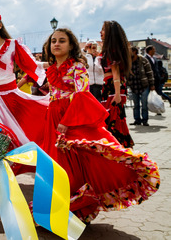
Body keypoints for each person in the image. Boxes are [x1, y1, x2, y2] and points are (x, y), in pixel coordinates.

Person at [37, 27, 160, 223]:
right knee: (55, 163)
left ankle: (78, 208)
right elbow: (53, 95)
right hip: (53, 117)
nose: (57, 44)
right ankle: (59, 205)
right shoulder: (51, 69)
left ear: (71, 46)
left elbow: (82, 94)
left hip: (71, 118)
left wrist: (66, 121)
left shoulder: (77, 66)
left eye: (62, 40)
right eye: (53, 41)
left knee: (77, 162)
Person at [0, 11, 49, 150]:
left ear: (0, 25)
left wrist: (53, 64)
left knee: (21, 132)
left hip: (13, 96)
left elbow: (31, 64)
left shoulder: (13, 44)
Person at [100, 21, 134, 147]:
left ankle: (117, 143)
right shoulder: (114, 49)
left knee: (114, 116)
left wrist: (118, 93)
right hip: (112, 85)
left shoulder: (112, 50)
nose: (100, 32)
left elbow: (115, 73)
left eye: (103, 29)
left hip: (113, 86)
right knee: (116, 116)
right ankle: (120, 143)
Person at [127, 47, 155, 126]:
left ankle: (145, 120)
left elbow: (149, 72)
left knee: (144, 104)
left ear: (134, 51)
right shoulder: (128, 61)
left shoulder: (143, 60)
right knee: (136, 105)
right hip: (133, 86)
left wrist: (152, 84)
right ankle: (137, 120)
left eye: (129, 51)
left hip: (143, 85)